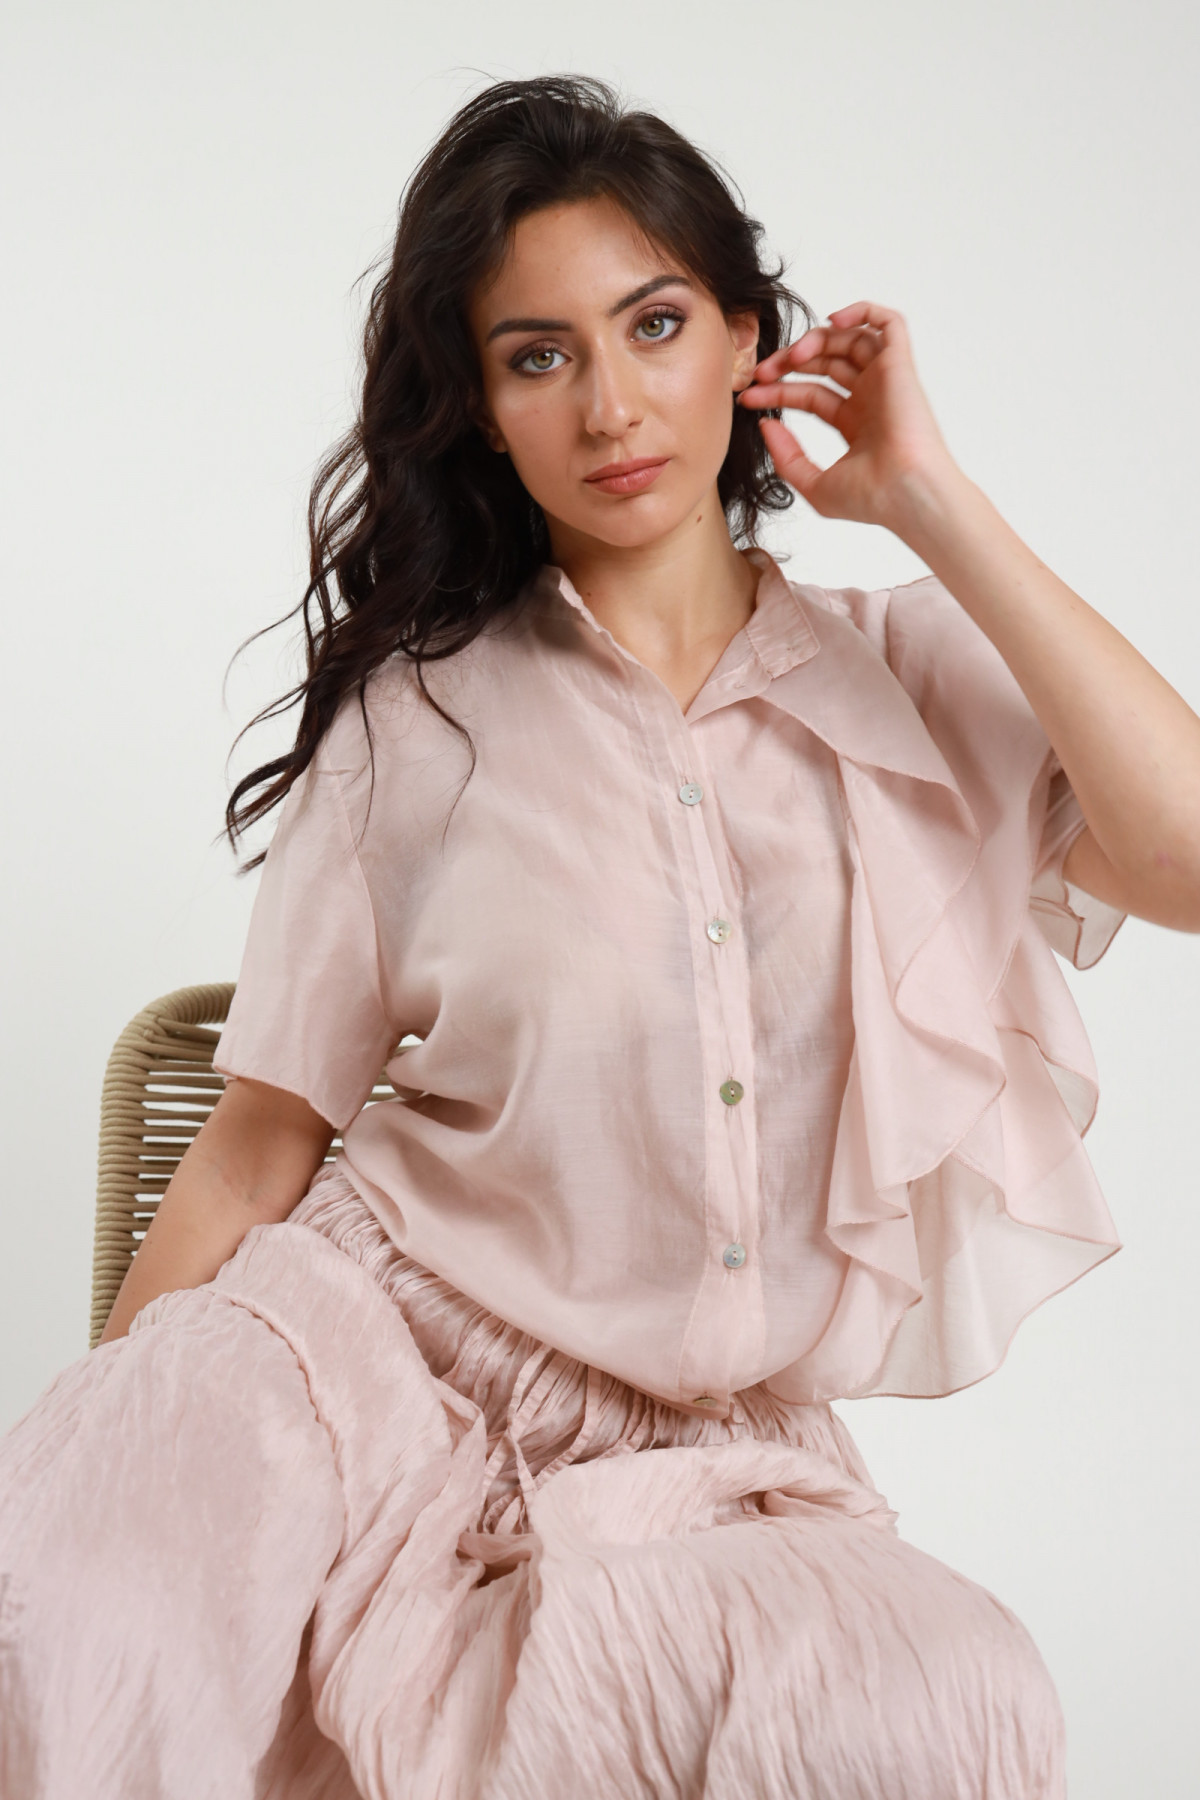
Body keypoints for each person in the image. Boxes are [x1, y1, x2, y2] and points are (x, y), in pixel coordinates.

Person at [1, 71, 1197, 1800]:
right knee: (83, 1616)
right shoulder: (417, 723)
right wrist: (102, 1444)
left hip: (698, 1460)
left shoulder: (917, 674)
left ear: (746, 340)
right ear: (485, 410)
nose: (612, 404)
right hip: (354, 1356)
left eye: (654, 325)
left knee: (949, 1702)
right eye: (537, 355)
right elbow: (261, 1139)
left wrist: (929, 493)